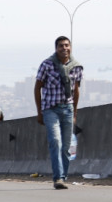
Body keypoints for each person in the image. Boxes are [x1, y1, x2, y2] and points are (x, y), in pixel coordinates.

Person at [34, 36, 83, 190]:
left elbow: (76, 90)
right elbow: (37, 88)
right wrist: (39, 112)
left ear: (71, 47)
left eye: (67, 45)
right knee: (55, 141)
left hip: (67, 109)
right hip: (50, 109)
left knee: (67, 147)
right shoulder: (47, 65)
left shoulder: (76, 67)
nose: (64, 48)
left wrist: (74, 112)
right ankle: (58, 178)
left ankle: (63, 176)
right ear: (56, 48)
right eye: (61, 46)